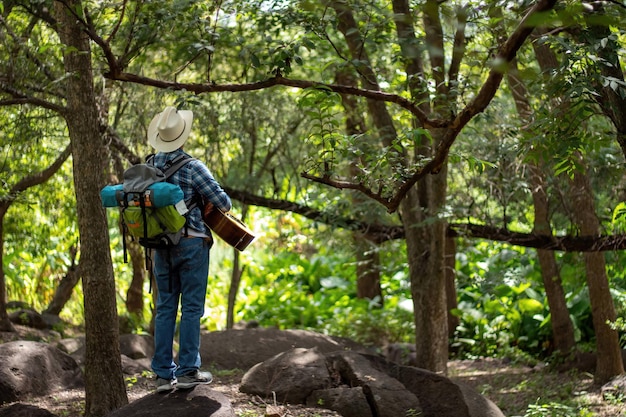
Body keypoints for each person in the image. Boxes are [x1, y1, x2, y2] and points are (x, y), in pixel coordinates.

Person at [146, 106, 232, 392]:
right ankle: (187, 372)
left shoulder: (149, 165)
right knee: (192, 309)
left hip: (160, 245)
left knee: (165, 308)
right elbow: (223, 203)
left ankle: (161, 375)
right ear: (182, 136)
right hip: (192, 243)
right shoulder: (193, 167)